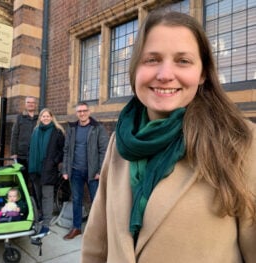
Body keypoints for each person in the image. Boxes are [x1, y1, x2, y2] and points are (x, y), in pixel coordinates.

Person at [81, 10, 256, 263]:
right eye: (151, 59)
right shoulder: (120, 142)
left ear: (203, 73)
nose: (164, 74)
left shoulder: (241, 141)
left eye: (183, 61)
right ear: (135, 69)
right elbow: (97, 240)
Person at [62, 102, 109, 240]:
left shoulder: (97, 128)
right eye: (79, 111)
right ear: (76, 113)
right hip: (75, 171)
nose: (82, 113)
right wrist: (65, 169)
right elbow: (66, 150)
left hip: (93, 172)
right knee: (76, 199)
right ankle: (76, 228)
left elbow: (104, 151)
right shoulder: (72, 128)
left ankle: (97, 230)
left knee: (96, 201)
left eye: (84, 111)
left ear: (89, 112)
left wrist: (100, 170)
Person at [28, 108, 65, 237]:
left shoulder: (57, 132)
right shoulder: (36, 131)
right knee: (38, 195)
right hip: (35, 169)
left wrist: (54, 161)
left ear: (51, 117)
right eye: (43, 116)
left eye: (47, 116)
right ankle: (43, 216)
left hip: (48, 170)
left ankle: (46, 225)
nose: (45, 118)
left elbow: (62, 150)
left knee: (47, 196)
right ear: (40, 118)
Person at [10, 96, 38, 193]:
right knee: (22, 179)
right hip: (22, 154)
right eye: (28, 102)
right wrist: (13, 152)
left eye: (32, 102)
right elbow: (14, 135)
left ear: (35, 104)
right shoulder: (20, 118)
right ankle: (23, 202)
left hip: (36, 155)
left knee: (35, 180)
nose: (30, 104)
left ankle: (35, 203)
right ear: (25, 104)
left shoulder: (39, 118)